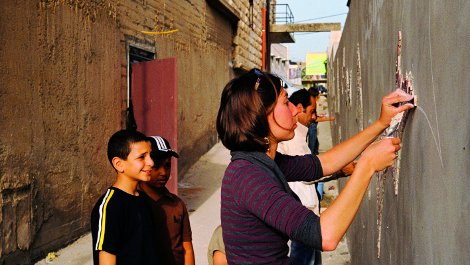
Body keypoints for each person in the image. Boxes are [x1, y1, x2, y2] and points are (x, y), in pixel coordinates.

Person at [216, 68, 414, 264]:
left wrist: (381, 123)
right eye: (286, 103)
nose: (295, 110)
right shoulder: (248, 176)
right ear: (261, 116)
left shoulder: (260, 162)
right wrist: (367, 164)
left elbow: (324, 163)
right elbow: (325, 235)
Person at [91, 129, 158, 265]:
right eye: (142, 157)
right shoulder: (109, 207)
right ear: (119, 164)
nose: (151, 162)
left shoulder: (145, 200)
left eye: (150, 155)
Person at [277, 88, 321, 265]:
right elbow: (307, 172)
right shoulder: (291, 140)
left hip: (307, 216)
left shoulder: (300, 135)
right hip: (303, 218)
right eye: (311, 112)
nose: (314, 117)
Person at [139, 136, 195, 265]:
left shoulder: (177, 205)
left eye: (167, 165)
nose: (163, 172)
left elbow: (187, 249)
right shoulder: (135, 203)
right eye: (156, 166)